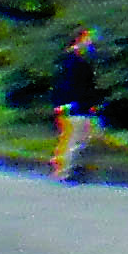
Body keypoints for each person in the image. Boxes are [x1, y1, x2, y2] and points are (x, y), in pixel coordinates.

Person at [47, 26, 102, 183]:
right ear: (79, 39)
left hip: (80, 106)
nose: (91, 41)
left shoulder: (80, 59)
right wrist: (64, 104)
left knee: (78, 137)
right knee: (71, 138)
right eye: (88, 38)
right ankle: (62, 170)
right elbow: (65, 84)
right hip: (72, 106)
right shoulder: (71, 61)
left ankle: (63, 166)